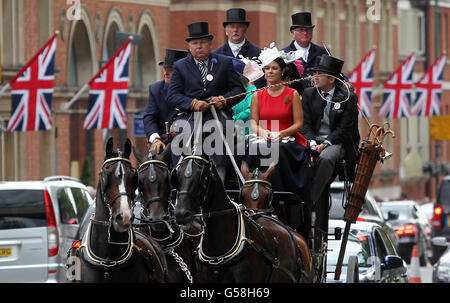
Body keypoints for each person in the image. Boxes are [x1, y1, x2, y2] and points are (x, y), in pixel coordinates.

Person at [246, 43, 312, 239]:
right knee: (251, 150)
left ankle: (280, 195)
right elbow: (253, 123)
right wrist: (264, 132)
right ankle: (251, 194)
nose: (270, 72)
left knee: (279, 152)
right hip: (264, 137)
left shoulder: (292, 95)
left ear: (283, 71)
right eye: (267, 68)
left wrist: (281, 134)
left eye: (274, 68)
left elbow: (299, 124)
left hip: (287, 139)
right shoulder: (258, 95)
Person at [168, 22, 245, 182]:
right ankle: (179, 179)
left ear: (210, 44)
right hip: (190, 116)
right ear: (189, 46)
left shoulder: (224, 62)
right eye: (195, 43)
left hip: (218, 115)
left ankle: (220, 180)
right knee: (180, 132)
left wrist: (223, 100)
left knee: (220, 130)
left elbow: (239, 91)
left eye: (203, 43)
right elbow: (172, 95)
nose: (199, 47)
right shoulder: (180, 66)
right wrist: (192, 103)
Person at [301, 55, 360, 205]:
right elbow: (305, 124)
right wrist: (312, 142)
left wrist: (326, 143)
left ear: (331, 79)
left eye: (319, 74)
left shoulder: (348, 97)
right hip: (313, 139)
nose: (314, 77)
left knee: (326, 158)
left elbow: (344, 129)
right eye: (314, 74)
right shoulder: (309, 94)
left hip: (336, 142)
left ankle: (310, 200)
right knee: (295, 156)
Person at [143, 48, 188, 154]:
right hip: (162, 142)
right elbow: (149, 117)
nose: (166, 72)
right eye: (164, 68)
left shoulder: (192, 89)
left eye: (171, 69)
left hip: (189, 140)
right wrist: (155, 138)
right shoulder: (155, 89)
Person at [213, 8, 265, 88]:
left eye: (239, 26)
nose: (235, 30)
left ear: (245, 29)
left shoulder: (259, 53)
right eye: (231, 26)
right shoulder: (216, 55)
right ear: (226, 30)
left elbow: (261, 82)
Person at [282, 12, 328, 77]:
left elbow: (334, 74)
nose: (305, 33)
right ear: (292, 32)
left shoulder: (323, 52)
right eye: (301, 30)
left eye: (308, 30)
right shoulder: (284, 53)